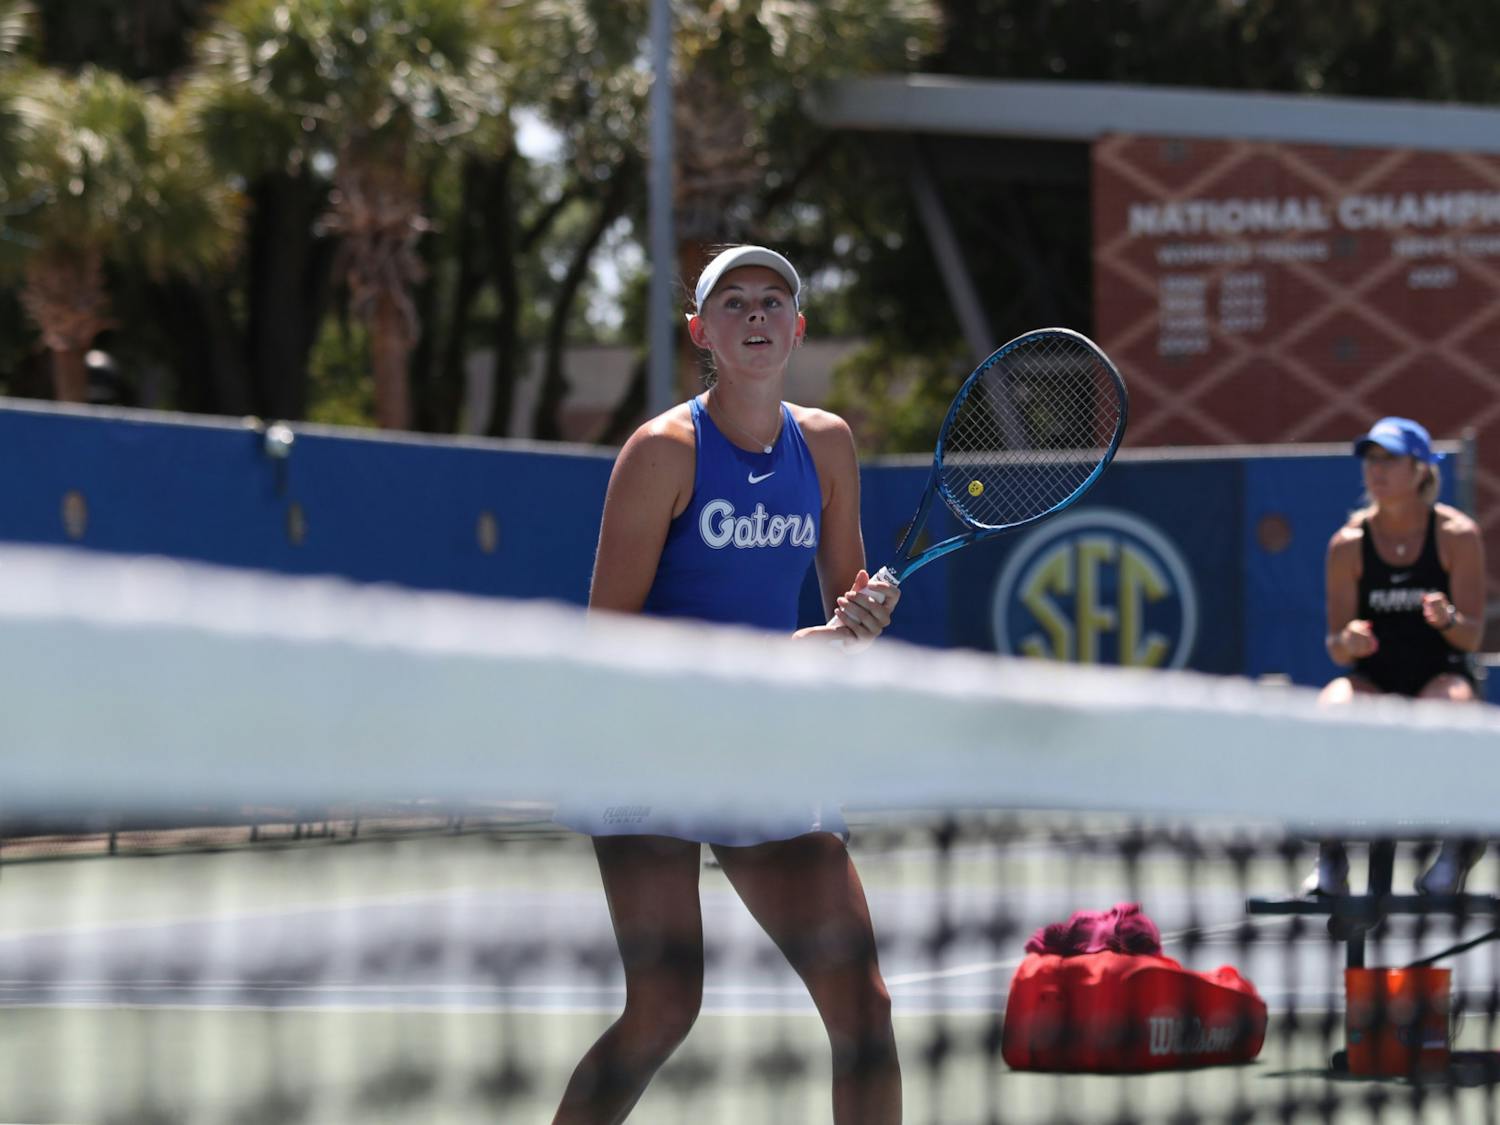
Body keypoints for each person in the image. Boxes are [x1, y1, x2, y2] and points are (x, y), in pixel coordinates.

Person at [552, 245, 903, 1123]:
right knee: (665, 1008)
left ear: (798, 326)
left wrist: (860, 619)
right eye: (735, 302)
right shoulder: (662, 451)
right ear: (700, 331)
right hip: (646, 749)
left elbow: (840, 610)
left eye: (774, 300)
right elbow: (610, 641)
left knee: (865, 1009)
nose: (757, 314)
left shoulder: (826, 445)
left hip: (763, 751)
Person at [1304, 416, 1487, 898]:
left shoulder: (1457, 534)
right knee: (1331, 707)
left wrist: (1447, 619)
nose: (1377, 469)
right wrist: (1351, 641)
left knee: (1452, 704)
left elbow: (1471, 639)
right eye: (1371, 458)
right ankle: (1330, 856)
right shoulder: (1347, 544)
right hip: (1374, 681)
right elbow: (1335, 646)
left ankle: (1456, 848)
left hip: (1439, 676)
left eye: (1390, 459)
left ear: (1421, 470)